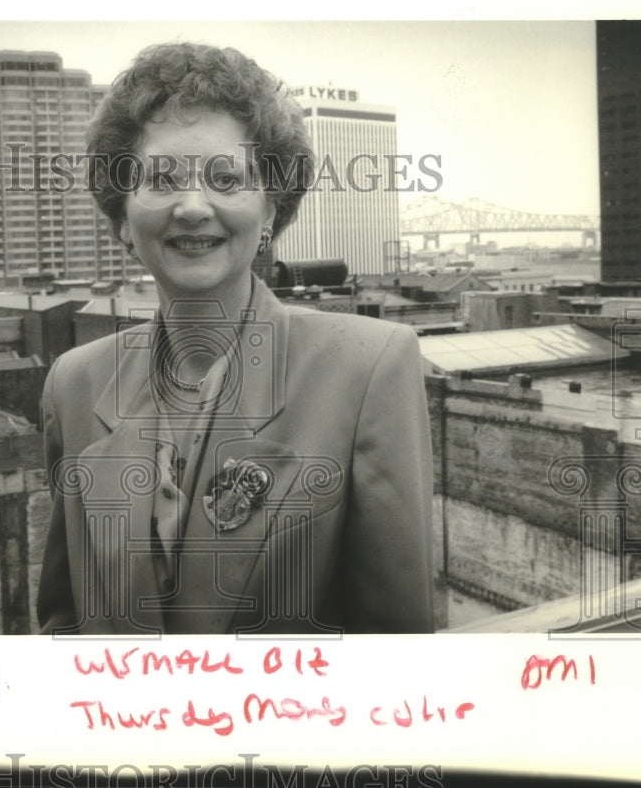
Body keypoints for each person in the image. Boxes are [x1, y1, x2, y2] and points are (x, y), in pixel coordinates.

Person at [37, 42, 434, 635]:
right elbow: (63, 625)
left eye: (226, 178)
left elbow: (394, 651)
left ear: (272, 209)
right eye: (162, 179)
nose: (193, 208)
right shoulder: (72, 384)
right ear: (122, 214)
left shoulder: (370, 370)